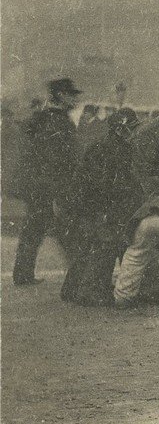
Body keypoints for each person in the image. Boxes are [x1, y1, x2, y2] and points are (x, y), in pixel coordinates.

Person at [62, 108, 145, 305]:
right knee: (102, 245)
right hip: (96, 205)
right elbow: (101, 184)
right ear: (120, 129)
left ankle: (72, 289)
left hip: (96, 204)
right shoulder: (107, 149)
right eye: (131, 128)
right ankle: (90, 292)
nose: (134, 133)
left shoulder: (115, 146)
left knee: (92, 246)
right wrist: (108, 209)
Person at [13, 78, 83, 286]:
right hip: (50, 187)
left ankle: (23, 274)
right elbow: (57, 160)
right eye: (71, 94)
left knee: (34, 229)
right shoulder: (58, 122)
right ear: (61, 95)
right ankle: (80, 276)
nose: (74, 99)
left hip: (38, 185)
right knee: (66, 231)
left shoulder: (43, 119)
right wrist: (60, 191)